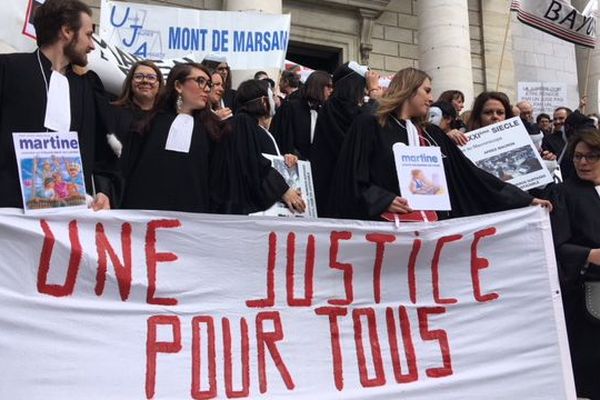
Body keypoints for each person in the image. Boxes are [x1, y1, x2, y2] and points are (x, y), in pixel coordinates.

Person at [328, 67, 551, 221]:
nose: (431, 98)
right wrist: (381, 200)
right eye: (426, 90)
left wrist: (525, 200)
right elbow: (349, 178)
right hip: (388, 231)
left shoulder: (432, 134)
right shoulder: (371, 124)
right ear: (408, 89)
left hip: (434, 230)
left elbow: (472, 176)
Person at [0, 0, 119, 210]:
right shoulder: (8, 70)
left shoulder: (86, 89)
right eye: (89, 35)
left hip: (64, 217)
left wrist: (102, 193)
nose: (92, 45)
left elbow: (98, 156)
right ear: (66, 31)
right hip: (9, 215)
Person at [121, 63, 219, 212]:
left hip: (193, 219)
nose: (206, 88)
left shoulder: (214, 130)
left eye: (209, 84)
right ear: (179, 85)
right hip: (145, 218)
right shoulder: (149, 124)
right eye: (200, 81)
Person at [551, 129, 600, 399]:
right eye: (578, 157)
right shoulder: (563, 192)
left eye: (591, 157)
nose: (583, 163)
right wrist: (589, 254)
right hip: (586, 298)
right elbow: (559, 245)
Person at [211, 79, 305, 215]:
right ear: (263, 101)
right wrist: (282, 189)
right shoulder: (242, 122)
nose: (275, 100)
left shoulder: (253, 126)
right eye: (272, 96)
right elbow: (252, 163)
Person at [310, 61, 375, 217]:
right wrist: (374, 94)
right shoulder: (337, 108)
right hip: (338, 186)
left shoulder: (335, 107)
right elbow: (365, 126)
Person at [111, 60, 163, 182]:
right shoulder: (112, 112)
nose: (145, 81)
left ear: (159, 84)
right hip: (119, 185)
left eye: (151, 78)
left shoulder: (166, 118)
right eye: (139, 77)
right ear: (131, 82)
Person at [271, 70, 332, 160]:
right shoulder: (291, 107)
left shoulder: (323, 110)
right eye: (328, 87)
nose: (331, 90)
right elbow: (283, 138)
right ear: (318, 87)